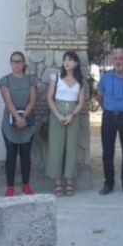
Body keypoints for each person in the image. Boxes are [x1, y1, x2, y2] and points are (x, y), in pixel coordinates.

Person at [97, 48, 123, 196]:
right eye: (115, 59)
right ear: (112, 60)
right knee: (107, 152)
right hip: (108, 116)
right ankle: (108, 184)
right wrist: (108, 109)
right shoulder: (105, 77)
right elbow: (100, 96)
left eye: (121, 58)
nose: (118, 61)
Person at [46, 51, 86, 196]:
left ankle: (69, 180)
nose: (67, 62)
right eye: (65, 60)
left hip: (73, 116)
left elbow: (81, 102)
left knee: (71, 147)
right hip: (56, 114)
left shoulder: (80, 81)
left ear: (76, 63)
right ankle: (57, 182)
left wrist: (72, 115)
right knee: (56, 147)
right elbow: (49, 98)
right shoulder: (56, 78)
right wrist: (58, 115)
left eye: (70, 60)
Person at [0, 51, 37, 196]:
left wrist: (24, 117)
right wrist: (17, 117)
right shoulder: (5, 80)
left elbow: (33, 100)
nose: (17, 64)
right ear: (11, 63)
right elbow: (7, 101)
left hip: (27, 123)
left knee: (26, 155)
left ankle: (26, 185)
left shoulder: (30, 80)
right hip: (10, 124)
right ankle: (10, 187)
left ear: (24, 63)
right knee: (11, 155)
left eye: (20, 61)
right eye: (14, 61)